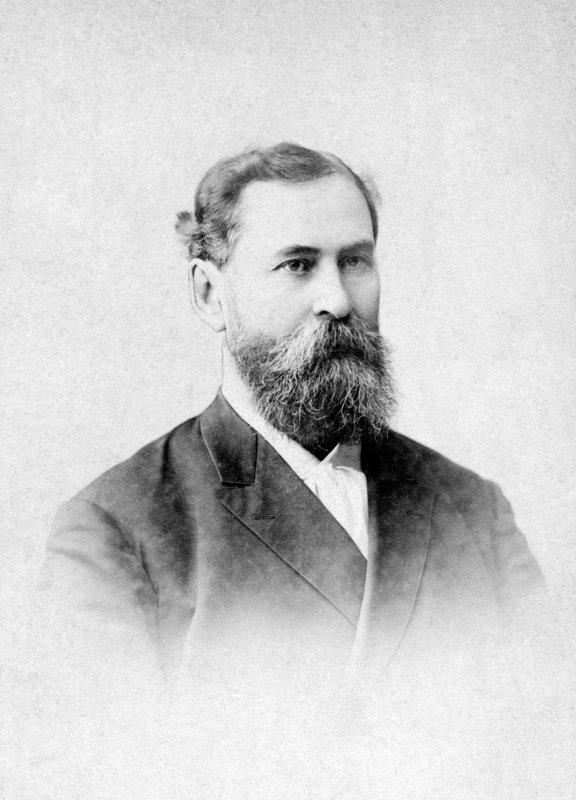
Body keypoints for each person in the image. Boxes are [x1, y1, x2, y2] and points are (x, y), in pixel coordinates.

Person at [41, 143, 544, 698]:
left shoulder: (474, 509)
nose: (338, 301)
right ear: (210, 294)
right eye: (297, 265)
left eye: (354, 261)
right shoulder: (115, 529)